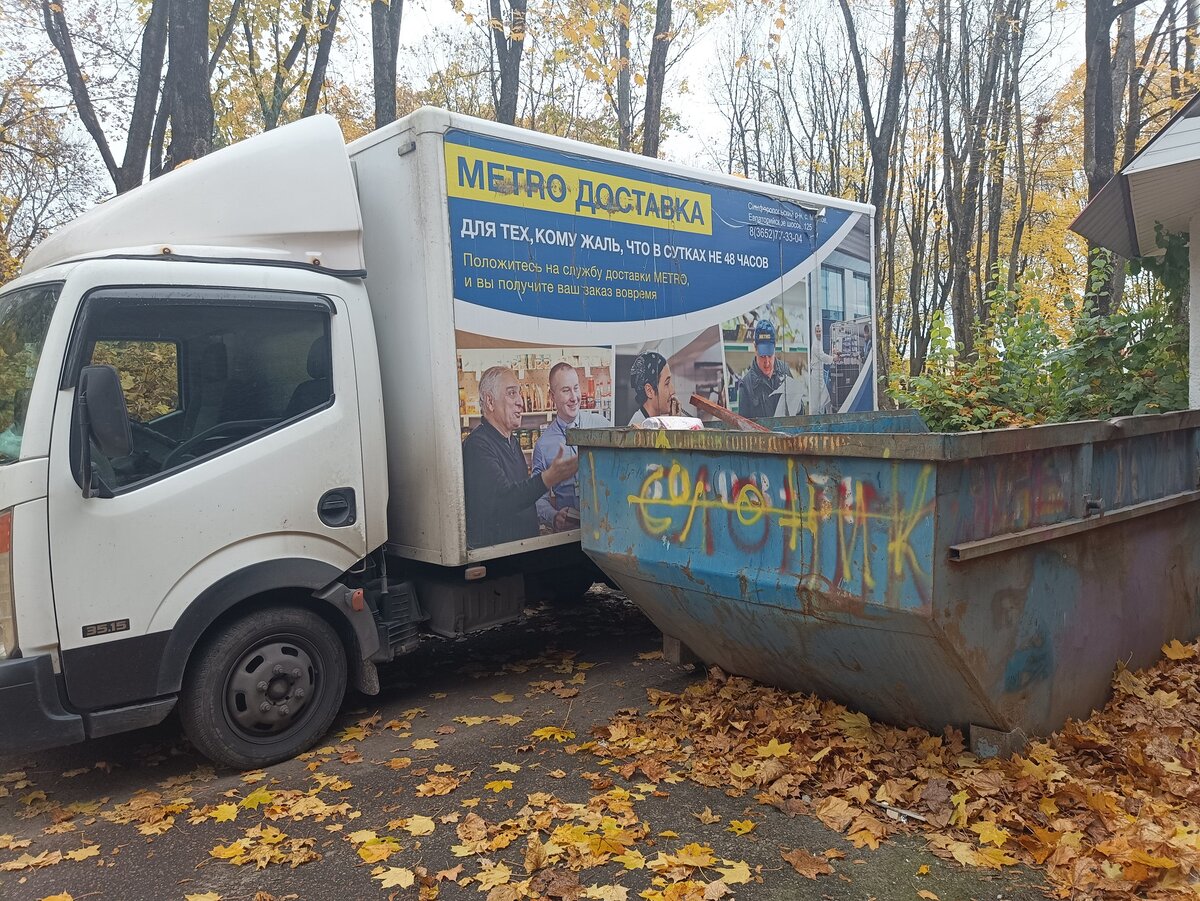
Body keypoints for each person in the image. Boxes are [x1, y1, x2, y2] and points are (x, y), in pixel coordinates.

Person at [461, 366, 577, 548]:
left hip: (520, 557)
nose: (520, 402)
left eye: (519, 393)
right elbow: (505, 499)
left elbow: (523, 497)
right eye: (511, 393)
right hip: (500, 567)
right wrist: (548, 478)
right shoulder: (478, 446)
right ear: (490, 402)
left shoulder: (511, 442)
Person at [532, 362, 611, 532]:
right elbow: (538, 498)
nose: (574, 397)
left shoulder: (603, 427)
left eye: (576, 388)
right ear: (552, 396)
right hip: (568, 533)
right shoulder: (543, 445)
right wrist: (554, 516)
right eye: (566, 390)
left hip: (604, 527)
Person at [737, 319, 792, 419]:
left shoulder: (785, 372)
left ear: (775, 346)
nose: (767, 362)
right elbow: (743, 428)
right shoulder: (746, 385)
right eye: (762, 356)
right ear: (755, 348)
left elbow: (799, 415)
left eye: (770, 355)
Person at [627, 351, 675, 426]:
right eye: (667, 383)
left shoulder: (653, 423)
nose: (672, 391)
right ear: (649, 391)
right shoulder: (639, 429)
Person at [807, 321, 835, 414]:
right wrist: (833, 358)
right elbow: (822, 356)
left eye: (820, 331)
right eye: (817, 331)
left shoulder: (819, 342)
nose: (819, 333)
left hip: (819, 375)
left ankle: (828, 416)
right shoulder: (816, 344)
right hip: (816, 376)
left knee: (826, 398)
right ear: (815, 332)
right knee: (816, 401)